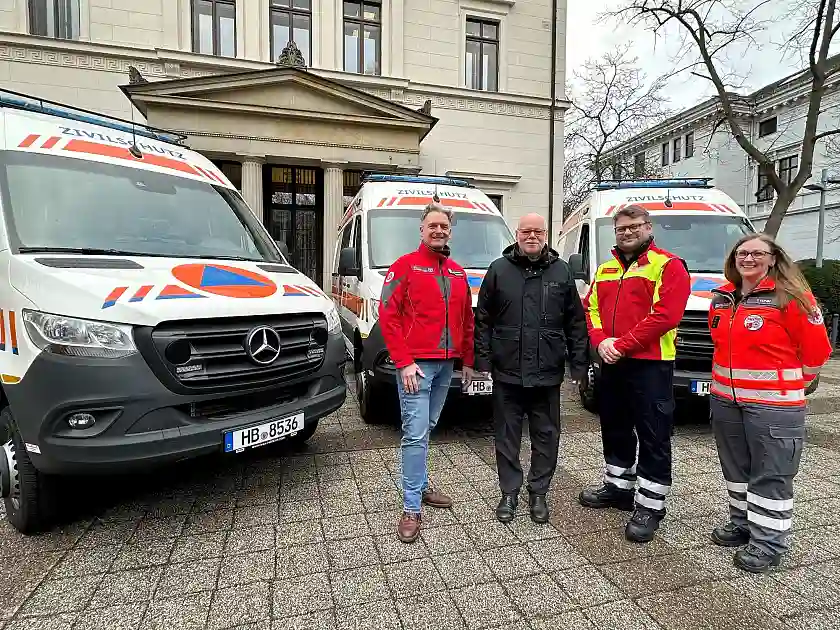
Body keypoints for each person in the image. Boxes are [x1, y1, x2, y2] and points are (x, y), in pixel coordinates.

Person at [707, 233, 832, 573]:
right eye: (741, 253)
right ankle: (743, 524)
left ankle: (768, 543)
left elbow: (817, 352)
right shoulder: (722, 298)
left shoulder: (791, 297)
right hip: (726, 402)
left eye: (757, 253)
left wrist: (790, 384)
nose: (748, 259)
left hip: (774, 406)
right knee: (736, 470)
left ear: (773, 258)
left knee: (771, 474)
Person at [579, 205, 691, 543]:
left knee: (653, 433)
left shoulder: (668, 265)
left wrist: (621, 344)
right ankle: (618, 487)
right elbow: (591, 309)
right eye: (621, 228)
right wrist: (601, 343)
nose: (627, 232)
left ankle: (650, 505)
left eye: (633, 226)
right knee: (614, 426)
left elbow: (665, 316)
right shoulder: (606, 268)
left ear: (648, 227)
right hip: (612, 360)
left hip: (650, 364)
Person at [474, 213, 589, 524]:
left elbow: (576, 323)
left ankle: (538, 492)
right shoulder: (499, 270)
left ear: (546, 234)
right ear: (517, 233)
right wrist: (482, 361)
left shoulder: (561, 271)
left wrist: (579, 364)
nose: (532, 236)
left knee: (546, 436)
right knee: (507, 436)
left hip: (547, 373)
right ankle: (509, 492)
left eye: (538, 231)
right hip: (507, 372)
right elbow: (483, 319)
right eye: (526, 231)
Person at [378, 201, 476, 543]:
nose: (438, 230)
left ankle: (419, 486)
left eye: (444, 226)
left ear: (450, 231)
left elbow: (467, 321)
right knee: (416, 433)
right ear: (422, 230)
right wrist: (403, 361)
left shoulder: (458, 272)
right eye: (432, 225)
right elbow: (387, 316)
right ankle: (410, 507)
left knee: (428, 427)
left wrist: (467, 361)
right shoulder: (404, 266)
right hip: (416, 367)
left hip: (447, 364)